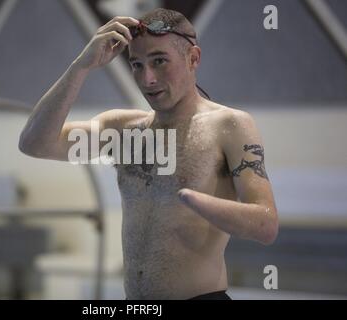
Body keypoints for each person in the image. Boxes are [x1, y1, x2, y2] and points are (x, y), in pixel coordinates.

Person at [19, 8, 278, 300]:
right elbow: (35, 144)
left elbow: (265, 224)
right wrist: (80, 67)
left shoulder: (229, 125)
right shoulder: (121, 130)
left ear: (193, 58)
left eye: (159, 61)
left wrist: (197, 202)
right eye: (137, 65)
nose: (148, 79)